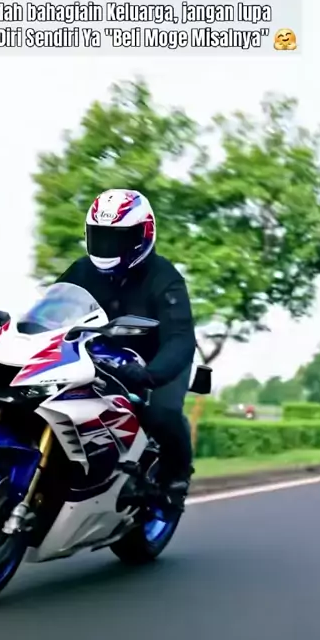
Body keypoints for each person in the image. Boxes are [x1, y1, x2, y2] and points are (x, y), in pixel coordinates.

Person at [56, 188, 197, 499]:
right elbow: (53, 309)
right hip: (95, 355)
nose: (108, 247)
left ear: (144, 235)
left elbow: (180, 337)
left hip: (154, 360)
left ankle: (176, 474)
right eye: (101, 237)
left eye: (119, 238)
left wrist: (151, 374)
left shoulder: (165, 277)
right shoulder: (81, 270)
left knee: (161, 413)